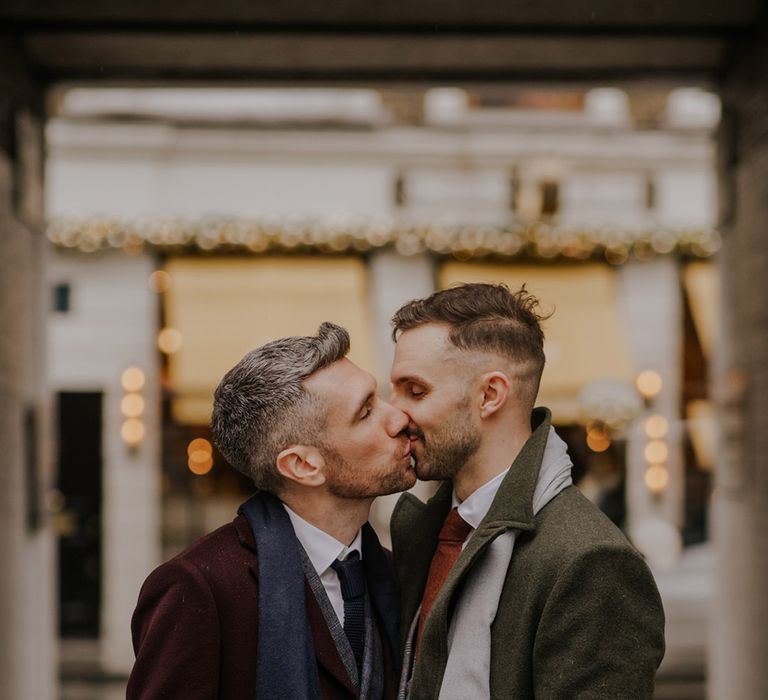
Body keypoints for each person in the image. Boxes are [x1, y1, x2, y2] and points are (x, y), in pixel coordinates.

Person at [388, 283, 665, 700]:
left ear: (489, 395)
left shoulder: (591, 561)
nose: (394, 413)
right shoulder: (430, 530)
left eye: (416, 391)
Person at [128, 322, 416, 700]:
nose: (398, 418)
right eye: (365, 412)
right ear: (303, 466)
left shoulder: (399, 573)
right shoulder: (199, 587)